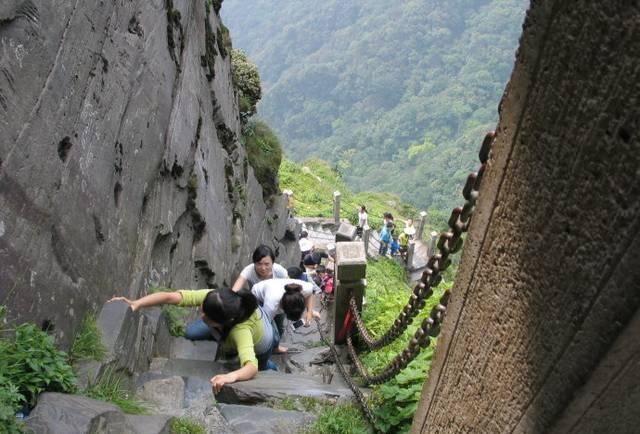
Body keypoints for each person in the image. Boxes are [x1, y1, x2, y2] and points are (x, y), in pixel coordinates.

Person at [108, 287, 279, 392]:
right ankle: (225, 344)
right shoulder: (215, 298)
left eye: (205, 315)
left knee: (260, 366)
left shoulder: (241, 331)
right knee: (191, 333)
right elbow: (171, 297)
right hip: (228, 329)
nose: (200, 314)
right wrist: (135, 303)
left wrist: (230, 377)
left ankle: (273, 366)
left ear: (222, 322)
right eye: (202, 309)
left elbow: (251, 367)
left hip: (263, 343)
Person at [251, 278, 320, 353]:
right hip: (258, 297)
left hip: (274, 289)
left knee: (280, 327)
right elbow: (265, 325)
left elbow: (310, 294)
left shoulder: (305, 289)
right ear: (283, 307)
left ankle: (275, 347)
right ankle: (267, 349)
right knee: (271, 332)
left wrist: (309, 312)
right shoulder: (271, 305)